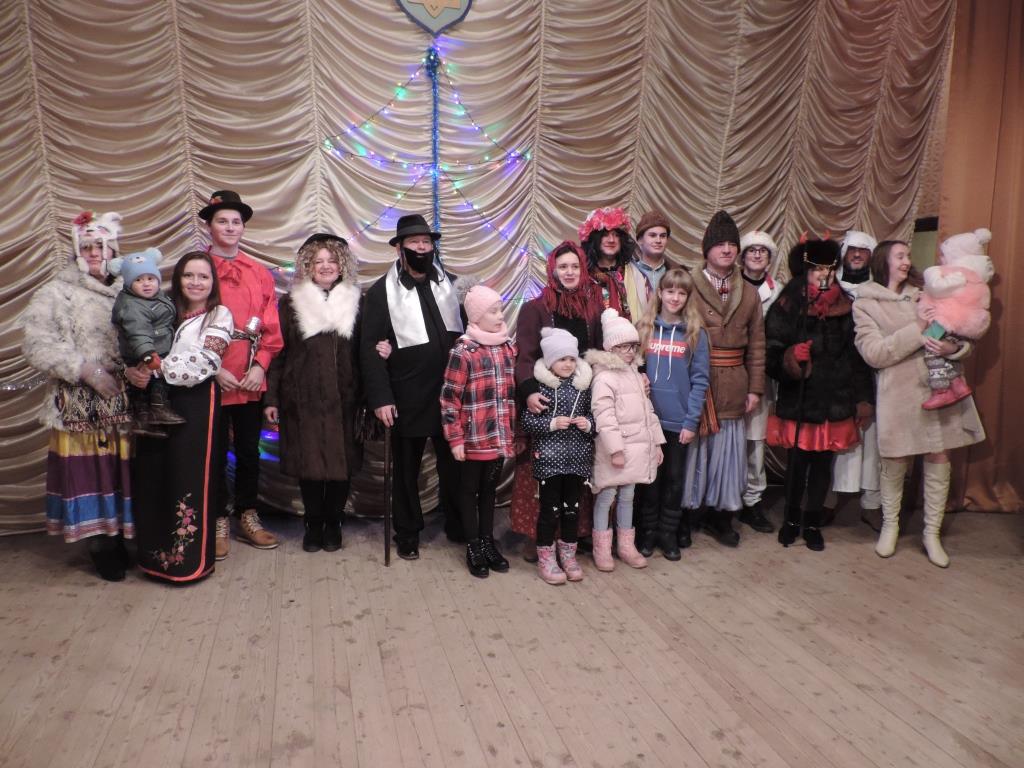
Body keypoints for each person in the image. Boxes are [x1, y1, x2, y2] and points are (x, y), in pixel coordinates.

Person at [853, 240, 985, 567]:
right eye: (900, 256)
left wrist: (953, 350)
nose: (906, 261)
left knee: (938, 457)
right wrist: (918, 328)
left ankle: (931, 533)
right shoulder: (866, 303)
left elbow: (963, 335)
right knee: (895, 461)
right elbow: (874, 354)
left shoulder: (927, 292)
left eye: (908, 255)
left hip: (938, 392)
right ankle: (890, 527)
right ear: (883, 261)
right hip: (897, 397)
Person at [22, 211, 134, 581]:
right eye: (86, 247)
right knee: (91, 474)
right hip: (80, 404)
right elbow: (37, 344)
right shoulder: (57, 293)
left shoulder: (132, 288)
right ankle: (100, 544)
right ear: (76, 251)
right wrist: (85, 369)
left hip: (124, 400)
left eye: (100, 246)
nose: (94, 253)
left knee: (123, 471)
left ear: (113, 249)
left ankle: (122, 537)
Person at [360, 213, 464, 560]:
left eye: (426, 242)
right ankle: (407, 532)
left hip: (451, 393)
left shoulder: (451, 284)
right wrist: (381, 397)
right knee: (406, 470)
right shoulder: (381, 292)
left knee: (456, 464)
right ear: (399, 249)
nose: (422, 248)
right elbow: (370, 348)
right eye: (414, 242)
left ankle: (458, 522)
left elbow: (469, 332)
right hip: (407, 394)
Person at [764, 239, 873, 551]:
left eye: (829, 269)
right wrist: (790, 357)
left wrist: (863, 399)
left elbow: (857, 358)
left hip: (833, 400)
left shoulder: (846, 307)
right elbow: (770, 352)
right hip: (800, 400)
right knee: (797, 466)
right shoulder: (787, 305)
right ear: (806, 271)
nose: (824, 274)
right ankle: (791, 520)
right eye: (817, 269)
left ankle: (812, 523)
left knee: (823, 467)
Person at [132, 251, 233, 582]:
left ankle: (187, 563)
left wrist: (156, 367)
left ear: (213, 282)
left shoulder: (219, 315)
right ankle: (153, 559)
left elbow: (206, 362)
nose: (196, 282)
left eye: (203, 276)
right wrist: (133, 370)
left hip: (195, 403)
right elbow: (132, 344)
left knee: (187, 478)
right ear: (178, 279)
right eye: (189, 275)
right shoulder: (159, 308)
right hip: (152, 402)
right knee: (153, 475)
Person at [264, 234, 362, 554]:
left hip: (346, 399)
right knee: (310, 464)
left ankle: (334, 522)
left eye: (331, 260)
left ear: (341, 265)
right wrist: (272, 399)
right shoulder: (290, 303)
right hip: (301, 398)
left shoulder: (357, 302)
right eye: (318, 261)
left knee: (341, 463)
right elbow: (278, 353)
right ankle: (313, 522)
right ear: (308, 266)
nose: (325, 266)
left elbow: (366, 351)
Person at [200, 190, 284, 559]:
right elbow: (187, 323)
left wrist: (260, 365)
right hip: (211, 377)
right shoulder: (197, 268)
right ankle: (218, 517)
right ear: (210, 225)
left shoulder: (258, 273)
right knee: (215, 452)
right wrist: (213, 368)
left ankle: (248, 514)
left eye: (236, 221)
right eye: (223, 221)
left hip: (249, 377)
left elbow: (271, 326)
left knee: (250, 451)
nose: (230, 227)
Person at [510, 241, 603, 560]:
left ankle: (572, 536)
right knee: (541, 473)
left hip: (579, 401)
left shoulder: (593, 309)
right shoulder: (535, 308)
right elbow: (524, 356)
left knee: (576, 472)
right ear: (552, 270)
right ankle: (538, 537)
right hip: (546, 401)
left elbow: (597, 354)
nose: (569, 272)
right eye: (563, 266)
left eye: (575, 266)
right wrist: (528, 392)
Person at [683, 210, 766, 547]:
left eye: (732, 244)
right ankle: (688, 514)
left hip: (734, 383)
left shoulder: (749, 293)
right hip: (696, 383)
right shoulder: (687, 285)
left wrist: (755, 388)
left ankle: (721, 517)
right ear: (707, 249)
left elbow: (757, 343)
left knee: (727, 454)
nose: (727, 249)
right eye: (720, 244)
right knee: (694, 451)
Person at [440, 283, 517, 578]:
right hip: (474, 438)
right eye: (493, 311)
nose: (500, 316)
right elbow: (449, 398)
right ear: (476, 316)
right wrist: (455, 438)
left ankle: (487, 541)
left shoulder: (507, 347)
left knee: (489, 490)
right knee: (469, 490)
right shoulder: (463, 351)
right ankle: (472, 544)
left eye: (500, 310)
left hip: (498, 436)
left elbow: (511, 394)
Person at [635, 268, 710, 560]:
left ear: (688, 297)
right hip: (649, 422)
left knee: (675, 479)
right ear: (660, 293)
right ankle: (648, 532)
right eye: (670, 291)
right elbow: (634, 371)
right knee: (650, 480)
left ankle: (668, 534)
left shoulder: (695, 334)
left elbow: (700, 381)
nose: (675, 298)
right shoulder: (644, 329)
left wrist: (691, 421)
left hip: (679, 422)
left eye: (681, 293)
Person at [585, 309, 665, 571]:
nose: (629, 352)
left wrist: (656, 443)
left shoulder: (635, 374)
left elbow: (647, 411)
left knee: (628, 495)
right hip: (615, 451)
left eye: (632, 346)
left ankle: (626, 546)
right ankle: (601, 548)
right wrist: (615, 450)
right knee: (607, 496)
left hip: (637, 447)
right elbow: (604, 417)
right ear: (610, 348)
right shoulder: (604, 378)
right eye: (623, 347)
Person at [520, 328, 594, 585]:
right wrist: (552, 424)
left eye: (572, 359)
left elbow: (595, 417)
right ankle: (546, 558)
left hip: (577, 460)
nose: (568, 364)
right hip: (549, 461)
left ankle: (569, 556)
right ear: (550, 361)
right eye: (562, 359)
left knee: (572, 510)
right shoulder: (541, 389)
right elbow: (527, 421)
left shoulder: (583, 388)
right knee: (549, 511)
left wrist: (588, 424)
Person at [831, 230, 882, 528]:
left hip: (872, 372)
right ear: (844, 254)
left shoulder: (879, 290)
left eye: (864, 251)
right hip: (836, 373)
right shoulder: (830, 287)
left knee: (872, 441)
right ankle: (826, 500)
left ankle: (871, 504)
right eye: (853, 250)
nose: (858, 255)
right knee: (832, 438)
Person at [738, 230, 784, 534]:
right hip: (729, 372)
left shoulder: (778, 291)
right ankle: (722, 500)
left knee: (755, 442)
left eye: (762, 251)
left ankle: (752, 500)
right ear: (743, 257)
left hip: (762, 375)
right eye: (752, 250)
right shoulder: (729, 285)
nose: (756, 255)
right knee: (726, 440)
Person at [109, 247, 184, 436]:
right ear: (128, 283)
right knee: (156, 381)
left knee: (142, 389)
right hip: (146, 350)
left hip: (152, 346)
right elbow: (138, 333)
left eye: (151, 278)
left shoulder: (155, 297)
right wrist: (149, 355)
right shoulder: (132, 306)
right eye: (138, 280)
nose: (146, 284)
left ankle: (143, 420)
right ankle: (158, 408)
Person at [623, 210, 682, 321]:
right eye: (653, 235)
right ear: (640, 240)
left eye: (663, 236)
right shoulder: (627, 272)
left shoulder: (676, 273)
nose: (658, 240)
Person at [579, 207, 635, 318]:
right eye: (605, 235)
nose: (611, 240)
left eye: (616, 235)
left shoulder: (633, 273)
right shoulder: (583, 275)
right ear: (595, 239)